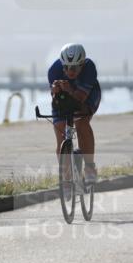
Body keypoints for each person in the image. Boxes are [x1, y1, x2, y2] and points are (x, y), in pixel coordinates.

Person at [48, 43, 101, 183]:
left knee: (81, 123)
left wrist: (70, 89)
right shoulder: (54, 71)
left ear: (82, 64)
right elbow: (56, 101)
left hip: (87, 97)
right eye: (65, 67)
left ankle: (90, 167)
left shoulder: (89, 68)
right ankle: (66, 180)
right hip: (64, 100)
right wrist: (55, 92)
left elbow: (80, 100)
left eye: (74, 67)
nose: (69, 71)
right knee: (61, 136)